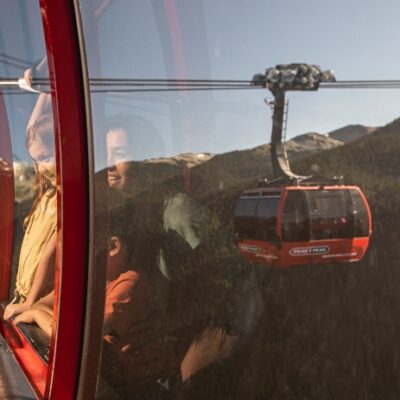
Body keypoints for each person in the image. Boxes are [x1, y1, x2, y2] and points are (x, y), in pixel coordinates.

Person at [4, 113, 57, 320]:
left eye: (45, 158)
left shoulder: (63, 199)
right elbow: (31, 128)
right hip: (22, 294)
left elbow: (48, 255)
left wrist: (30, 302)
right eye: (36, 160)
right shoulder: (46, 192)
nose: (41, 168)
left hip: (39, 301)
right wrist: (39, 84)